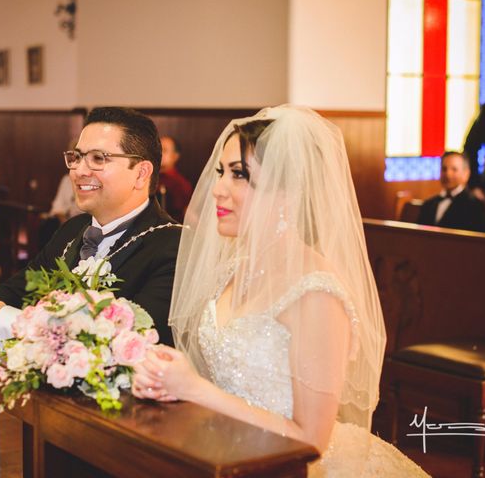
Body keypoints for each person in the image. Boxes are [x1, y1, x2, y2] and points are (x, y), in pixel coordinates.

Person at [131, 106, 429, 476]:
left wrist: (195, 390)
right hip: (223, 454)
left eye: (240, 175)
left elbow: (311, 441)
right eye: (221, 172)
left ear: (288, 192)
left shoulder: (316, 293)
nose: (218, 189)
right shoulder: (231, 270)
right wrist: (171, 375)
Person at [0, 107, 181, 349]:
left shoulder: (173, 246)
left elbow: (131, 339)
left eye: (98, 159)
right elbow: (20, 287)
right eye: (78, 157)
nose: (79, 171)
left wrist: (3, 323)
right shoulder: (73, 229)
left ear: (141, 174)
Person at [417, 151, 485, 231]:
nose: (448, 174)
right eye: (444, 169)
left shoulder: (475, 206)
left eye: (454, 169)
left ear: (466, 174)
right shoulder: (428, 204)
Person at [38, 172, 83, 246]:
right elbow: (58, 206)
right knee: (48, 227)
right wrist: (64, 222)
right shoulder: (66, 179)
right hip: (64, 220)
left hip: (82, 222)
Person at [158, 136, 192, 222]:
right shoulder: (147, 177)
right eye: (157, 149)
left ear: (175, 156)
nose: (159, 153)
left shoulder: (181, 184)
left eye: (164, 150)